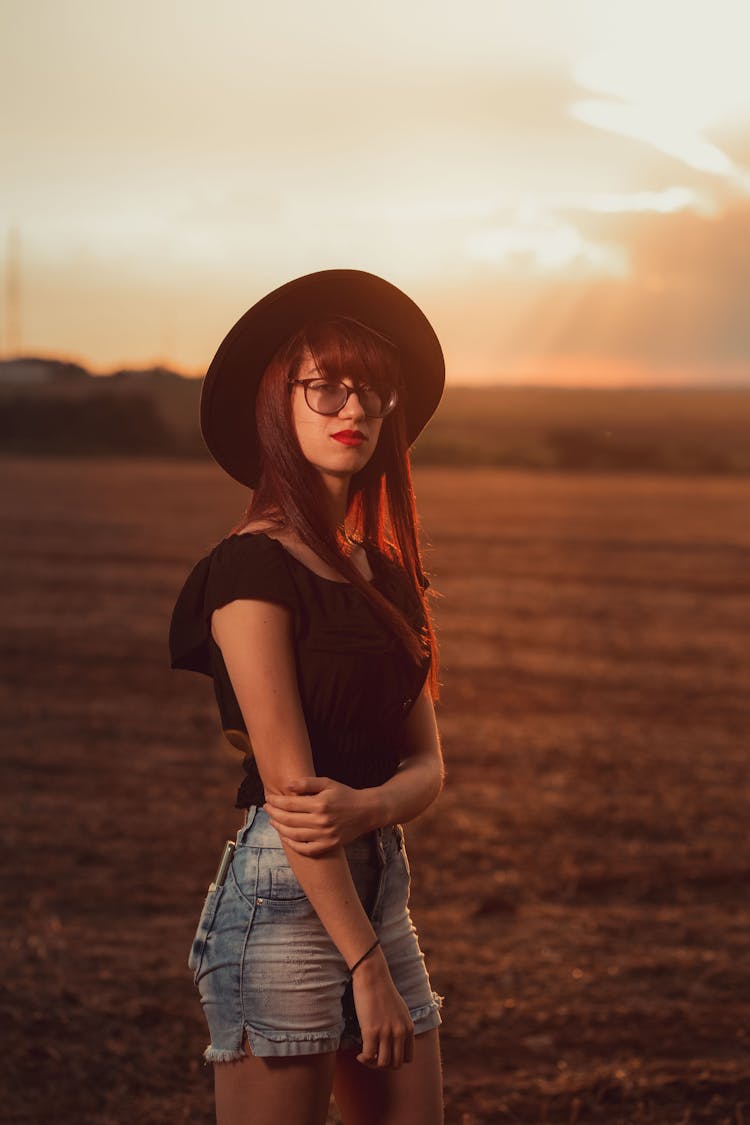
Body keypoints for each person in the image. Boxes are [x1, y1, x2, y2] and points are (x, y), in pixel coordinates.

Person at [168, 269, 446, 1125]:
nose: (350, 406)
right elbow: (293, 797)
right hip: (283, 899)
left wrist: (369, 807)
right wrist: (364, 968)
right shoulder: (250, 567)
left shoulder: (385, 574)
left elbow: (429, 765)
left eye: (372, 388)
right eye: (325, 384)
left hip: (377, 886)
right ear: (277, 403)